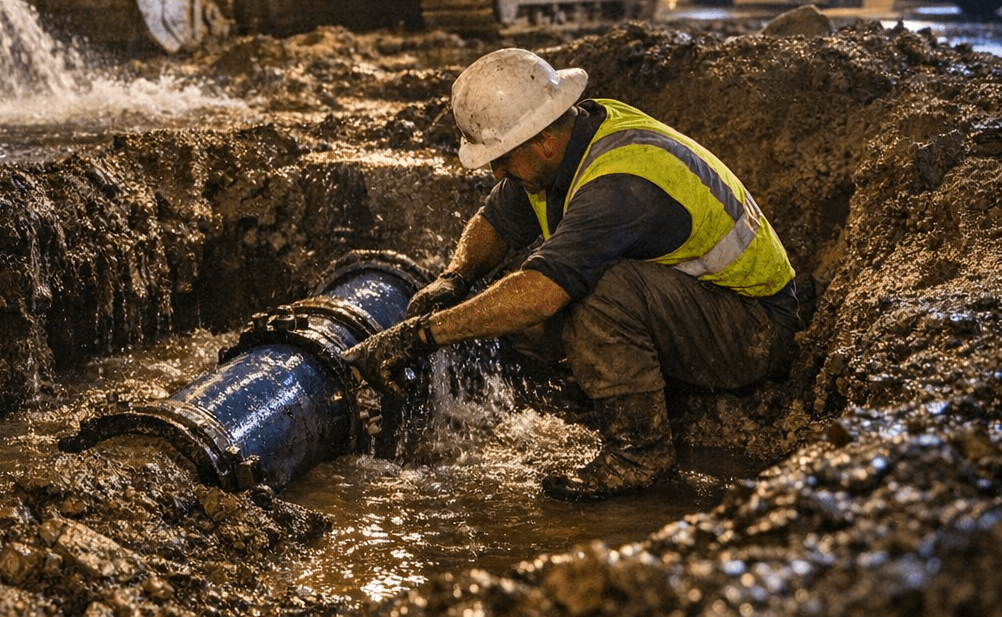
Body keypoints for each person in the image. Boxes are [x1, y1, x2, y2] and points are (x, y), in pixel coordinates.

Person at [342, 48, 802, 501]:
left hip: (752, 330)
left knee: (591, 290)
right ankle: (598, 389)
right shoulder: (563, 147)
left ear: (542, 139)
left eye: (502, 156)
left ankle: (638, 455)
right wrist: (455, 278)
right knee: (507, 297)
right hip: (700, 306)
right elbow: (494, 223)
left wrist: (420, 336)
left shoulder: (619, 184)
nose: (496, 170)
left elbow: (541, 294)